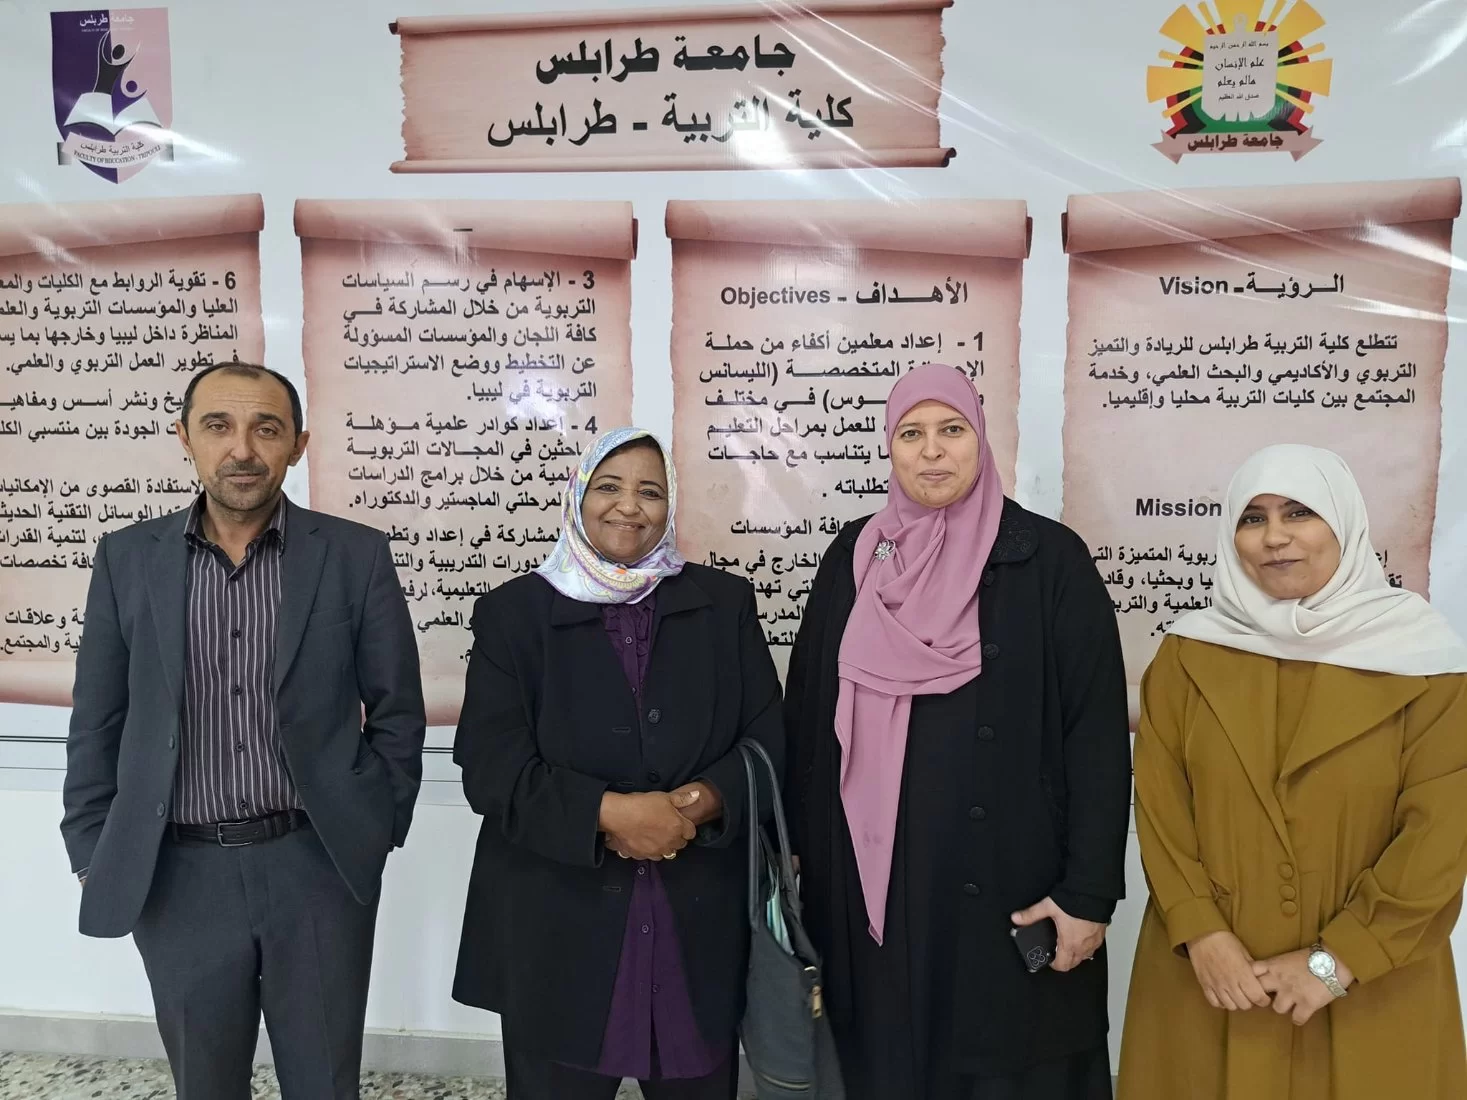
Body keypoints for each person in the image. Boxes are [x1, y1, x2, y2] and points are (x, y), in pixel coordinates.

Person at [60, 361, 427, 1100]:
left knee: (325, 1081)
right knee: (205, 1082)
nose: (243, 449)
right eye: (218, 426)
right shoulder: (127, 558)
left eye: (266, 429)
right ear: (185, 438)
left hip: (316, 863)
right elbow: (98, 716)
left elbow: (397, 709)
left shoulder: (354, 555)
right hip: (176, 874)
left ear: (298, 444)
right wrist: (92, 847)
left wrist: (375, 824)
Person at [784, 363, 1131, 1100]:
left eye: (951, 429)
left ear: (981, 440)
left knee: (1006, 1063)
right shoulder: (854, 557)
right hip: (872, 884)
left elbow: (1095, 738)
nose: (932, 450)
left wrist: (1088, 895)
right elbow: (810, 718)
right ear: (890, 447)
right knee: (887, 1060)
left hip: (1012, 877)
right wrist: (798, 863)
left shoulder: (1048, 558)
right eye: (911, 433)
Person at [1118, 443, 1467, 1100]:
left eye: (1298, 512)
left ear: (1344, 522)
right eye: (1252, 518)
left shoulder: (1426, 662)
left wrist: (1337, 962)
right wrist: (1200, 932)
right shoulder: (1187, 656)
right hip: (1213, 978)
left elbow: (1441, 836)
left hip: (1373, 984)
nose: (1274, 537)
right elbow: (1160, 809)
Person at [451, 427, 783, 1099]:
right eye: (609, 486)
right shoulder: (514, 614)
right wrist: (612, 815)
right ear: (578, 497)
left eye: (649, 491)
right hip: (557, 926)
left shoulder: (723, 603)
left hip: (698, 922)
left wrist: (691, 807)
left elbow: (767, 738)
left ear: (669, 505)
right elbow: (491, 764)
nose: (629, 506)